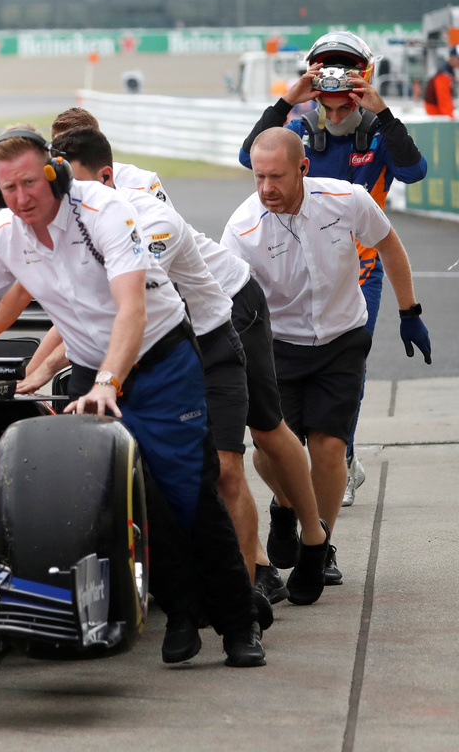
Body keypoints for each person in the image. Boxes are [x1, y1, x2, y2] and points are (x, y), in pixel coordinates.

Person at [0, 127, 264, 667]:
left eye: (30, 182)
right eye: (8, 188)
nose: (21, 197)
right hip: (93, 371)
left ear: (56, 174)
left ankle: (240, 623)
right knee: (132, 496)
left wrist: (108, 381)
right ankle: (182, 613)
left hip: (160, 362)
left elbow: (132, 310)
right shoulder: (8, 237)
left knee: (189, 491)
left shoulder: (104, 212)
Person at [52, 127, 330, 611]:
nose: (66, 196)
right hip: (169, 335)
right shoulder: (65, 212)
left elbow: (123, 306)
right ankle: (255, 569)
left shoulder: (140, 197)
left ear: (105, 172)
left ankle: (313, 539)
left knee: (266, 430)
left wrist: (50, 366)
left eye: (74, 183)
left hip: (228, 309)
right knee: (214, 465)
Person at [222, 128, 431, 587]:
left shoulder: (347, 199)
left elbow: (389, 244)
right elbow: (228, 300)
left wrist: (409, 312)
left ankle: (319, 545)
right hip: (279, 346)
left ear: (303, 168)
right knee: (270, 453)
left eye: (276, 177)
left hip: (342, 338)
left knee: (329, 448)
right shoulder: (241, 228)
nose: (266, 188)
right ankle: (284, 504)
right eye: (258, 177)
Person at [239, 31, 427, 508]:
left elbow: (414, 171)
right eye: (329, 104)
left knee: (347, 369)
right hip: (298, 265)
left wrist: (383, 112)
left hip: (361, 270)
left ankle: (340, 454)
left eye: (346, 106)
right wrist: (287, 100)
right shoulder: (299, 130)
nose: (337, 115)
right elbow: (248, 157)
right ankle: (310, 459)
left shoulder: (379, 132)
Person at [424, 45, 458, 119]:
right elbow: (444, 100)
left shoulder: (448, 71)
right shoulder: (444, 74)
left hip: (437, 110)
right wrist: (451, 118)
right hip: (435, 111)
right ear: (452, 58)